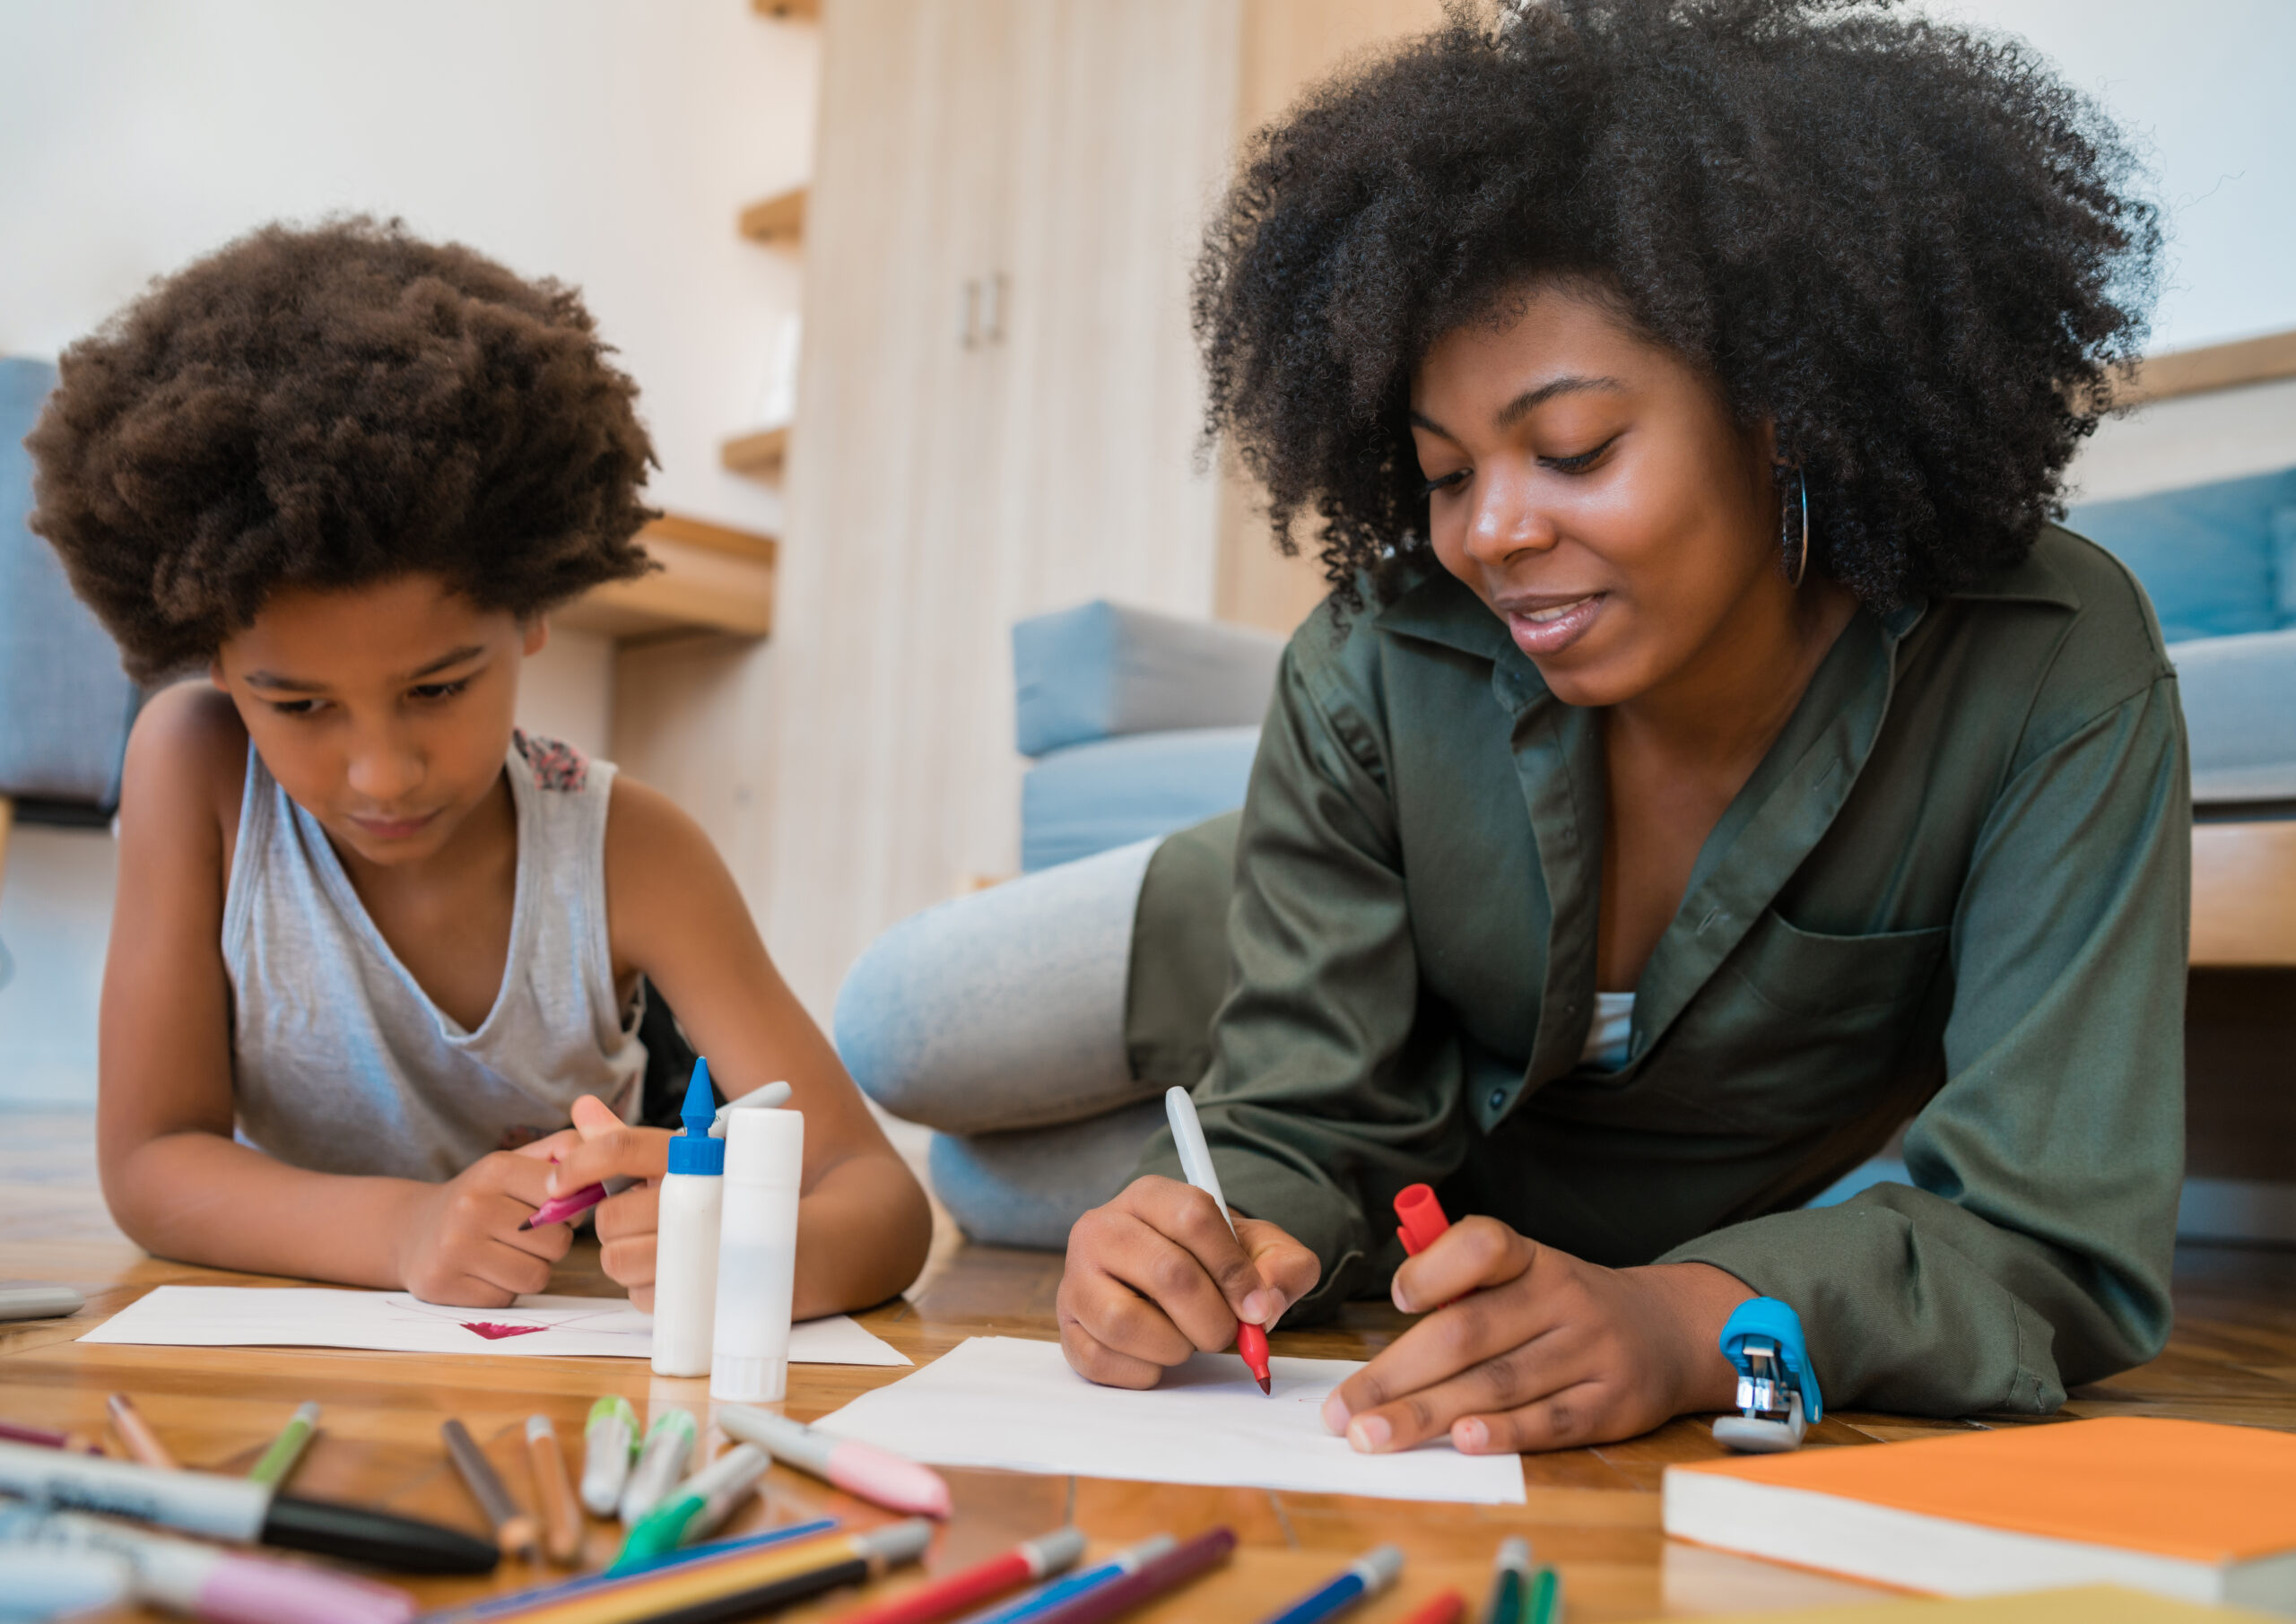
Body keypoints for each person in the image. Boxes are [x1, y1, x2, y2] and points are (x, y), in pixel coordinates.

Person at [847, 0, 2186, 1450]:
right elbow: (1304, 1115)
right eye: (1441, 470)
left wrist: (1687, 1322)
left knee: (991, 1188)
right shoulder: (1381, 659)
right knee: (905, 1030)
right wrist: (1224, 1220)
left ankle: (1028, 1187)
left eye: (1575, 450)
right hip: (1293, 941)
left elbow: (2054, 1233)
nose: (1490, 533)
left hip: (1523, 1180)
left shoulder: (2046, 663)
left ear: (1787, 405)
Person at [29, 218, 931, 1313]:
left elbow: (873, 1192)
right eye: (300, 703)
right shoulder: (194, 771)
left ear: (532, 609)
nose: (381, 774)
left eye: (438, 688)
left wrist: (747, 1257)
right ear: (214, 657)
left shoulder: (632, 851)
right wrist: (407, 1228)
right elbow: (153, 1158)